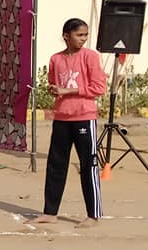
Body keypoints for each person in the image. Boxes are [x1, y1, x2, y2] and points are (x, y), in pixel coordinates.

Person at [36, 18, 107, 226]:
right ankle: (50, 212)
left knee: (88, 165)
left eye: (85, 35)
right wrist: (55, 90)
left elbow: (98, 87)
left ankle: (93, 214)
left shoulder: (90, 57)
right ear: (66, 36)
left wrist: (69, 90)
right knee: (56, 165)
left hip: (84, 117)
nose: (83, 39)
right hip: (61, 117)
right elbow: (53, 82)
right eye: (79, 35)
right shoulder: (55, 59)